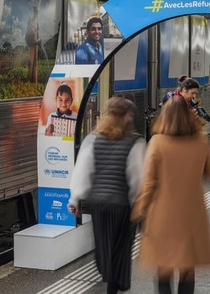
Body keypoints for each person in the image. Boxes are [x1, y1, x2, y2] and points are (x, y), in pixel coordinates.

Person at [131, 96, 210, 294]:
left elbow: (149, 182)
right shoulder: (201, 140)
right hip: (192, 213)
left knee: (164, 268)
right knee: (187, 268)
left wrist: (139, 209)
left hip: (163, 214)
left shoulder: (157, 142)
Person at [68, 97, 146, 294]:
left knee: (103, 247)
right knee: (120, 249)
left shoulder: (92, 139)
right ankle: (115, 282)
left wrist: (75, 199)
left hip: (98, 204)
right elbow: (137, 178)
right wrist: (139, 203)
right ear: (127, 116)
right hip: (121, 205)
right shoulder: (135, 142)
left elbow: (83, 172)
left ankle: (110, 276)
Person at [26, 6, 40, 83]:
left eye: (37, 12)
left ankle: (34, 80)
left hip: (36, 44)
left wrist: (38, 40)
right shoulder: (30, 21)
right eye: (35, 11)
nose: (36, 13)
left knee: (35, 61)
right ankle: (29, 79)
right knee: (31, 61)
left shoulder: (37, 23)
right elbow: (29, 32)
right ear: (33, 12)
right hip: (32, 44)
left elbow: (37, 33)